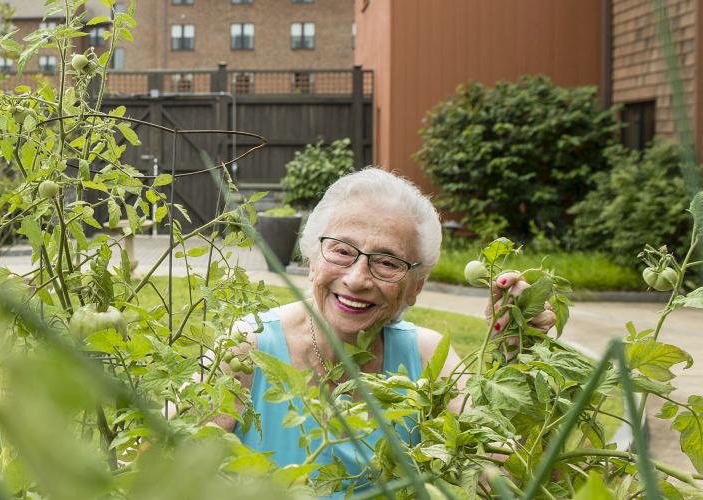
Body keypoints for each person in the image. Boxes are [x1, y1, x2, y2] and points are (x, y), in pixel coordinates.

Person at [212, 167, 555, 493]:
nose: (357, 279)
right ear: (312, 259)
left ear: (415, 287)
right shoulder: (248, 345)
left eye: (387, 262)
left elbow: (511, 468)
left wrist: (519, 354)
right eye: (343, 251)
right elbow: (178, 458)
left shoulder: (425, 357)